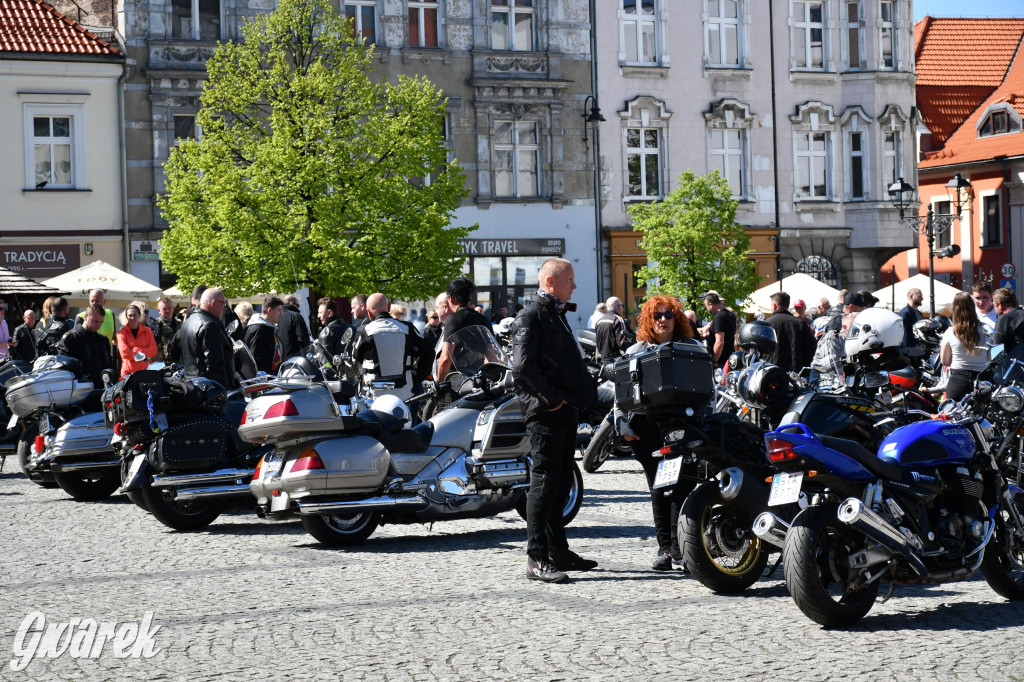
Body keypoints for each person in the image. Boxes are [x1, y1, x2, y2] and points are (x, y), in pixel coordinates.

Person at [510, 258, 596, 584]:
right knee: (544, 483)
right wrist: (552, 399)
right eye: (569, 280)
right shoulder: (530, 316)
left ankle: (558, 551)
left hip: (563, 410)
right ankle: (536, 557)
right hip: (547, 411)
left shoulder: (552, 314)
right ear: (550, 282)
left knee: (560, 484)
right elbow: (522, 368)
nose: (574, 286)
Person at [616, 295, 699, 571]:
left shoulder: (692, 347)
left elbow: (706, 390)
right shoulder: (635, 351)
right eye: (657, 316)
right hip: (646, 427)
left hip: (682, 425)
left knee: (682, 486)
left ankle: (680, 550)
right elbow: (621, 395)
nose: (663, 320)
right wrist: (622, 425)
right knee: (659, 486)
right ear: (649, 320)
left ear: (678, 319)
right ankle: (666, 549)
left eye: (668, 315)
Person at [350, 293, 424, 401]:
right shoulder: (408, 328)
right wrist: (415, 377)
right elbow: (428, 353)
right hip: (405, 393)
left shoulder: (363, 331)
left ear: (369, 312)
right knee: (407, 418)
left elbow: (354, 361)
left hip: (374, 395)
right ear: (389, 307)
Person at [435, 278, 491, 381]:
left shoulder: (453, 319)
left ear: (451, 299)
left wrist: (439, 384)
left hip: (458, 383)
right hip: (480, 382)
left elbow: (446, 358)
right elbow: (491, 355)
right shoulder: (484, 319)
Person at [179, 288, 236, 388]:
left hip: (191, 385)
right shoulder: (210, 325)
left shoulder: (188, 321)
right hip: (207, 389)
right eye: (224, 304)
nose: (224, 308)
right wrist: (223, 388)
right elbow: (214, 363)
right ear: (213, 303)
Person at [941, 291, 991, 401]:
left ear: (954, 309)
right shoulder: (986, 329)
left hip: (958, 380)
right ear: (972, 306)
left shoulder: (950, 332)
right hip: (982, 380)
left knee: (955, 415)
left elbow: (944, 361)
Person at [57, 303, 114, 385]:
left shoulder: (103, 340)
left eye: (101, 322)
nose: (98, 325)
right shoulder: (71, 338)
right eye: (95, 321)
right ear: (86, 317)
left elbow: (108, 366)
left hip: (100, 388)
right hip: (80, 388)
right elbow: (63, 367)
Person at [766, 291, 815, 373]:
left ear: (774, 306)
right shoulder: (800, 323)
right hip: (796, 374)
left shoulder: (766, 324)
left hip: (771, 373)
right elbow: (811, 349)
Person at [116, 304, 158, 377]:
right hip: (128, 373)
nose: (132, 318)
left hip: (146, 371)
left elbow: (153, 351)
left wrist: (135, 350)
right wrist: (145, 353)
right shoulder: (121, 333)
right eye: (130, 315)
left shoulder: (148, 331)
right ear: (126, 317)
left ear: (139, 315)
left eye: (135, 315)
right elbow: (125, 354)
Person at [246, 296, 285, 375]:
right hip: (263, 378)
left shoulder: (269, 327)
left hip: (271, 375)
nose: (281, 313)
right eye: (279, 310)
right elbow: (255, 358)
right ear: (269, 310)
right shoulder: (258, 329)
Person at [700, 292, 736, 367]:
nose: (707, 309)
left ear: (710, 304)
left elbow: (719, 342)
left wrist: (715, 361)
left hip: (721, 361)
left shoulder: (719, 317)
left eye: (706, 306)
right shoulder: (729, 314)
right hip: (729, 358)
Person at [594, 296, 630, 365]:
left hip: (604, 360)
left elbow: (598, 342)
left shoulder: (599, 321)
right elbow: (622, 342)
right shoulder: (618, 320)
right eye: (622, 306)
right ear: (619, 307)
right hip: (616, 361)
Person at [276, 294, 311, 362]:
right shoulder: (296, 316)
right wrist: (307, 348)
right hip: (294, 358)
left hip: (278, 358)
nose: (298, 308)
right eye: (298, 305)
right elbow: (303, 337)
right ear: (291, 303)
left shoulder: (276, 316)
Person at [993, 287, 1024, 356]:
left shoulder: (1004, 319)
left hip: (1015, 362)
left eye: (994, 305)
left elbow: (996, 348)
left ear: (1000, 305)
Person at [148, 297, 180, 362]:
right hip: (161, 362)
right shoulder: (155, 324)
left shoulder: (180, 323)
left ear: (173, 308)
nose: (168, 311)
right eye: (164, 309)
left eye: (169, 308)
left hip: (178, 360)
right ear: (159, 311)